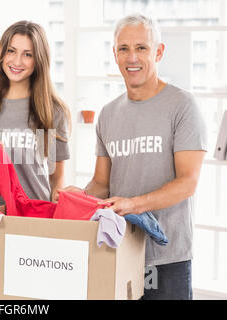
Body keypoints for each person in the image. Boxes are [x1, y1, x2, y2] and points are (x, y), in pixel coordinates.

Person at [57, 14, 207, 300]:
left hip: (167, 258)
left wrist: (133, 204)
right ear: (114, 54)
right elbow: (102, 183)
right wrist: (81, 198)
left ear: (158, 52)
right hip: (117, 249)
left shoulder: (182, 106)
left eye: (141, 48)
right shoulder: (109, 114)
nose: (132, 57)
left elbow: (188, 182)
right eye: (123, 48)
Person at [0, 20, 71, 209]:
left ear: (39, 59)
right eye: (11, 51)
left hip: (34, 222)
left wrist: (63, 202)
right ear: (1, 54)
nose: (17, 61)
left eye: (27, 54)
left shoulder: (53, 111)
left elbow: (56, 178)